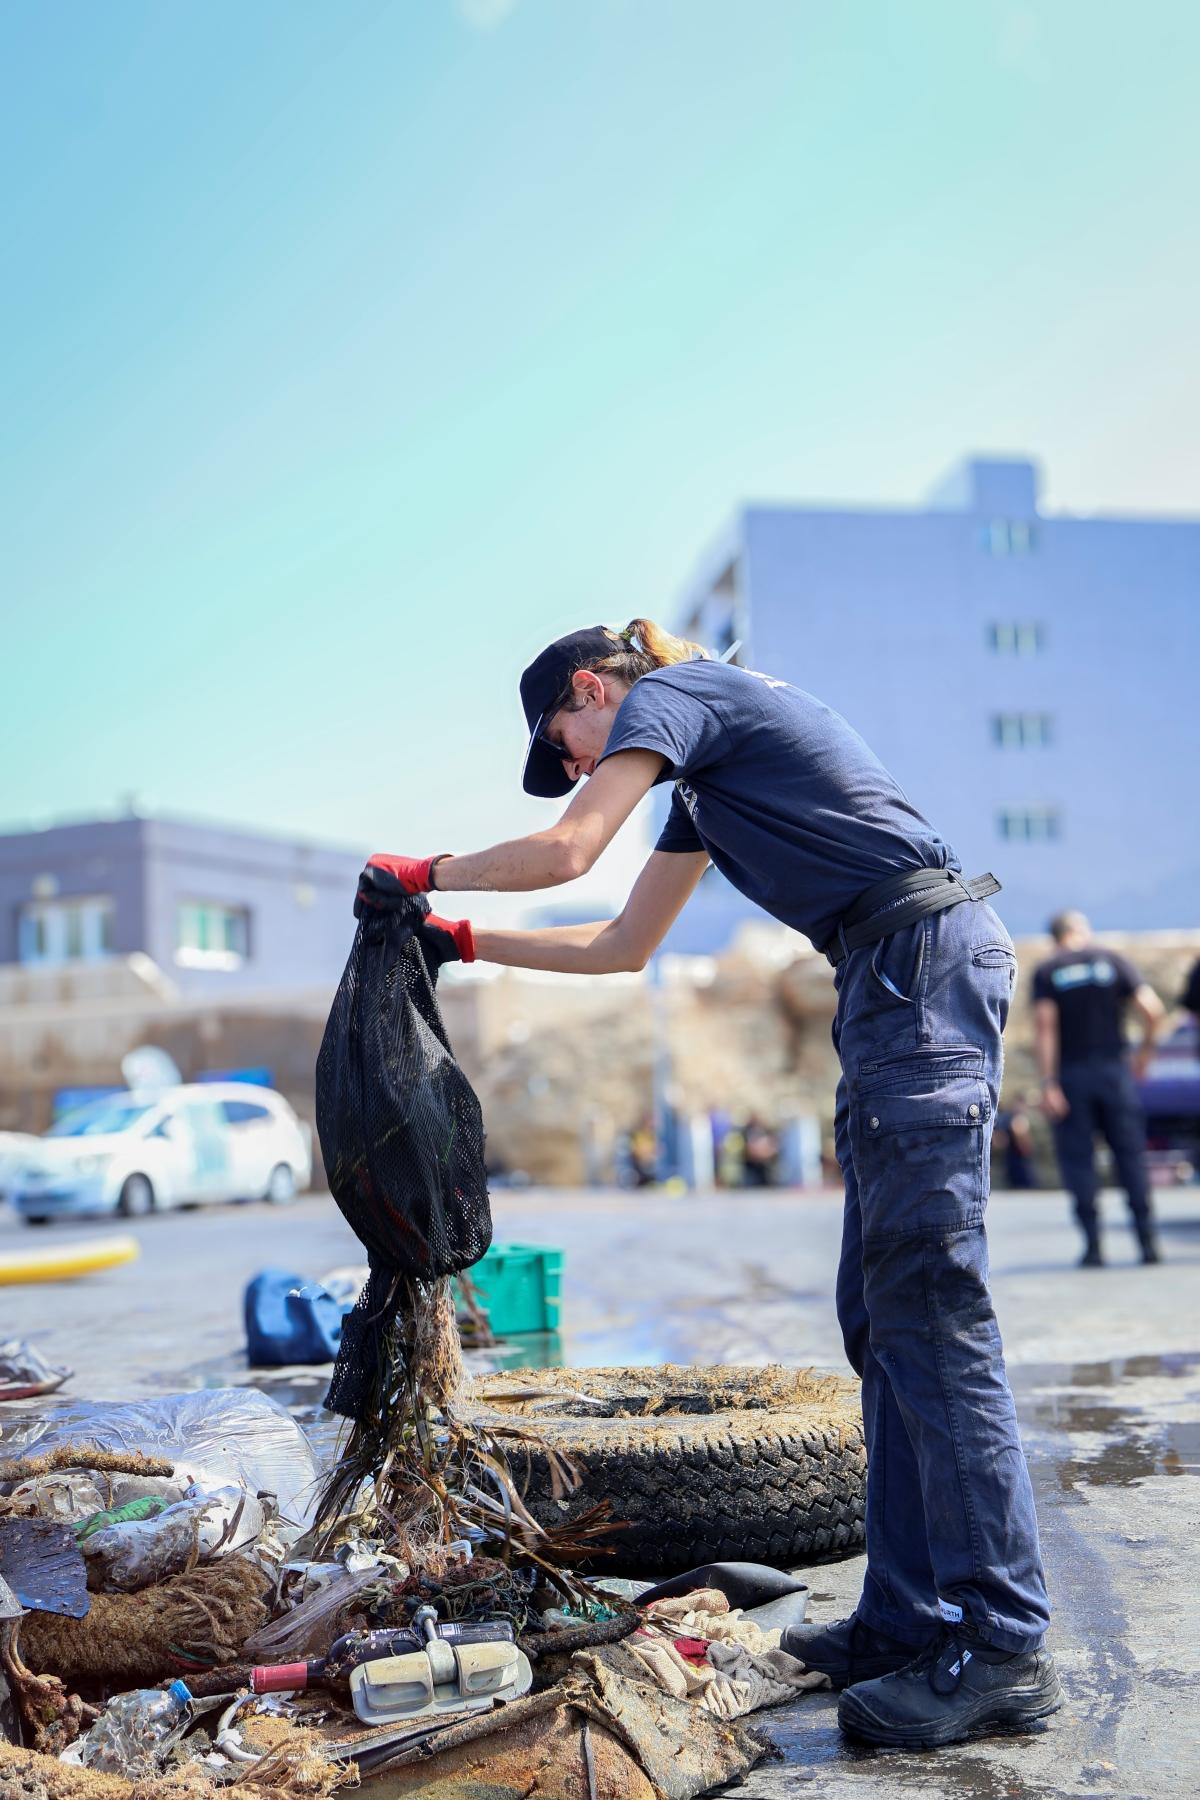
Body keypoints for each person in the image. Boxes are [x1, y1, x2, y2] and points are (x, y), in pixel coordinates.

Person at [365, 618, 1060, 1748]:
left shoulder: (683, 699)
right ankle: (904, 1617)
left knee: (932, 1312)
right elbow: (622, 943)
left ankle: (1003, 1643)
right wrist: (461, 940)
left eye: (570, 742)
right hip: (888, 983)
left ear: (595, 688)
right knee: (881, 1320)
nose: (587, 768)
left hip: (921, 970)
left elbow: (568, 852)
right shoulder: (701, 776)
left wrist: (417, 873)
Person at [1033, 911, 1165, 1267]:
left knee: (1079, 1161)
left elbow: (1046, 1028)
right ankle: (1147, 1241)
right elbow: (1152, 1011)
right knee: (1130, 1156)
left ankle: (1093, 1245)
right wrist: (1144, 1055)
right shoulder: (1113, 961)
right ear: (1082, 931)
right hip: (1114, 1072)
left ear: (1055, 937)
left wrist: (1048, 1083)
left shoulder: (1048, 971)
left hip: (1072, 1076)